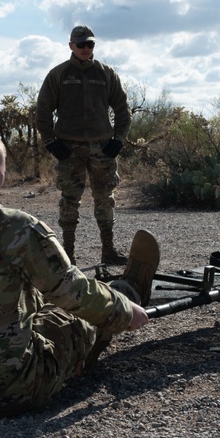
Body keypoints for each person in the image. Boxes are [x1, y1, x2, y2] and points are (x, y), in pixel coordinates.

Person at [0, 124, 159, 417]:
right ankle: (131, 288)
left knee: (25, 293)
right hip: (13, 389)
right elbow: (73, 291)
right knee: (75, 314)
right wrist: (124, 311)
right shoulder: (15, 226)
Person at [35, 24, 132, 265]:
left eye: (90, 44)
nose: (86, 48)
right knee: (69, 199)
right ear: (71, 46)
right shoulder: (59, 74)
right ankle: (68, 254)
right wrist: (50, 142)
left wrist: (119, 139)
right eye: (81, 44)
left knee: (105, 197)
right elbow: (43, 111)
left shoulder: (106, 73)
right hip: (69, 149)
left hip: (103, 148)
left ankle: (108, 251)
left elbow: (122, 108)